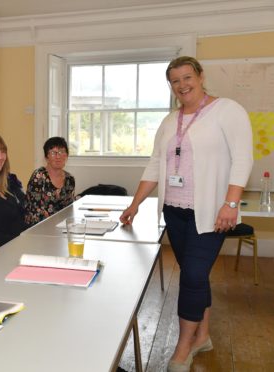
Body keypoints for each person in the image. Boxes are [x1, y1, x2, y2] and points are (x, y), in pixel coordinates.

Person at [119, 56, 253, 372]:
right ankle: (203, 335)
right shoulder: (169, 121)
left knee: (191, 276)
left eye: (187, 77)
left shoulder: (227, 110)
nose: (183, 85)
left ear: (201, 76)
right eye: (175, 81)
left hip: (210, 213)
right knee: (196, 276)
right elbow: (155, 164)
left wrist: (231, 204)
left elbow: (243, 160)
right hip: (175, 213)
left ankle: (183, 348)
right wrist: (135, 203)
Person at [24, 136, 76, 226]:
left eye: (62, 152)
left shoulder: (69, 179)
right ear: (46, 157)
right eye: (53, 153)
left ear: (67, 156)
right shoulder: (39, 176)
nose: (58, 156)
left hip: (61, 227)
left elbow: (69, 209)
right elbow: (36, 211)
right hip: (37, 227)